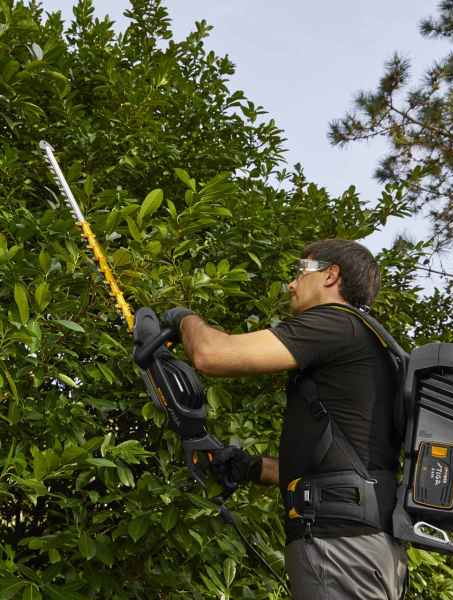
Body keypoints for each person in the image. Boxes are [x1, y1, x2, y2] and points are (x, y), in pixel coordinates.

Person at [163, 239, 407, 600]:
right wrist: (252, 467)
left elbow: (212, 354)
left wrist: (182, 318)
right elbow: (346, 466)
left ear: (331, 275)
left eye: (300, 272)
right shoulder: (372, 346)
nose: (292, 284)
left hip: (341, 547)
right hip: (362, 543)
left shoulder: (337, 323)